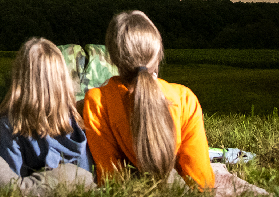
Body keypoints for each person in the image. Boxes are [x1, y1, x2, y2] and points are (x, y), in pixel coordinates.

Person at [82, 11, 215, 190]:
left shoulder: (97, 101)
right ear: (157, 54)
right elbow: (202, 183)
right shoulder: (185, 98)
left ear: (113, 58)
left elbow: (110, 179)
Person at [0, 38, 95, 195]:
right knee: (78, 176)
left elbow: (14, 174)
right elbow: (85, 167)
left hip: (33, 185)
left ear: (21, 79)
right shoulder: (73, 116)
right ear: (62, 80)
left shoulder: (9, 122)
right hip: (71, 181)